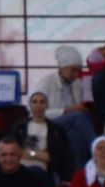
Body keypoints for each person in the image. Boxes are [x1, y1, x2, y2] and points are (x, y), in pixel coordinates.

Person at [39, 44, 96, 172]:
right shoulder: (47, 81)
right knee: (77, 116)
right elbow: (35, 112)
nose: (76, 74)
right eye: (73, 70)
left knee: (76, 136)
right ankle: (97, 148)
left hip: (67, 126)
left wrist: (81, 108)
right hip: (48, 123)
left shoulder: (77, 84)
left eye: (78, 70)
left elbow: (79, 107)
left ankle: (78, 177)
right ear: (62, 67)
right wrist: (66, 110)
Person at [17, 92, 70, 184]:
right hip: (20, 167)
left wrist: (32, 153)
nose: (38, 105)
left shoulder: (55, 130)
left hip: (43, 171)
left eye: (42, 102)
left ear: (47, 105)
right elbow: (16, 152)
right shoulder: (19, 127)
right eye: (35, 102)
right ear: (29, 105)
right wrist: (41, 154)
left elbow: (57, 157)